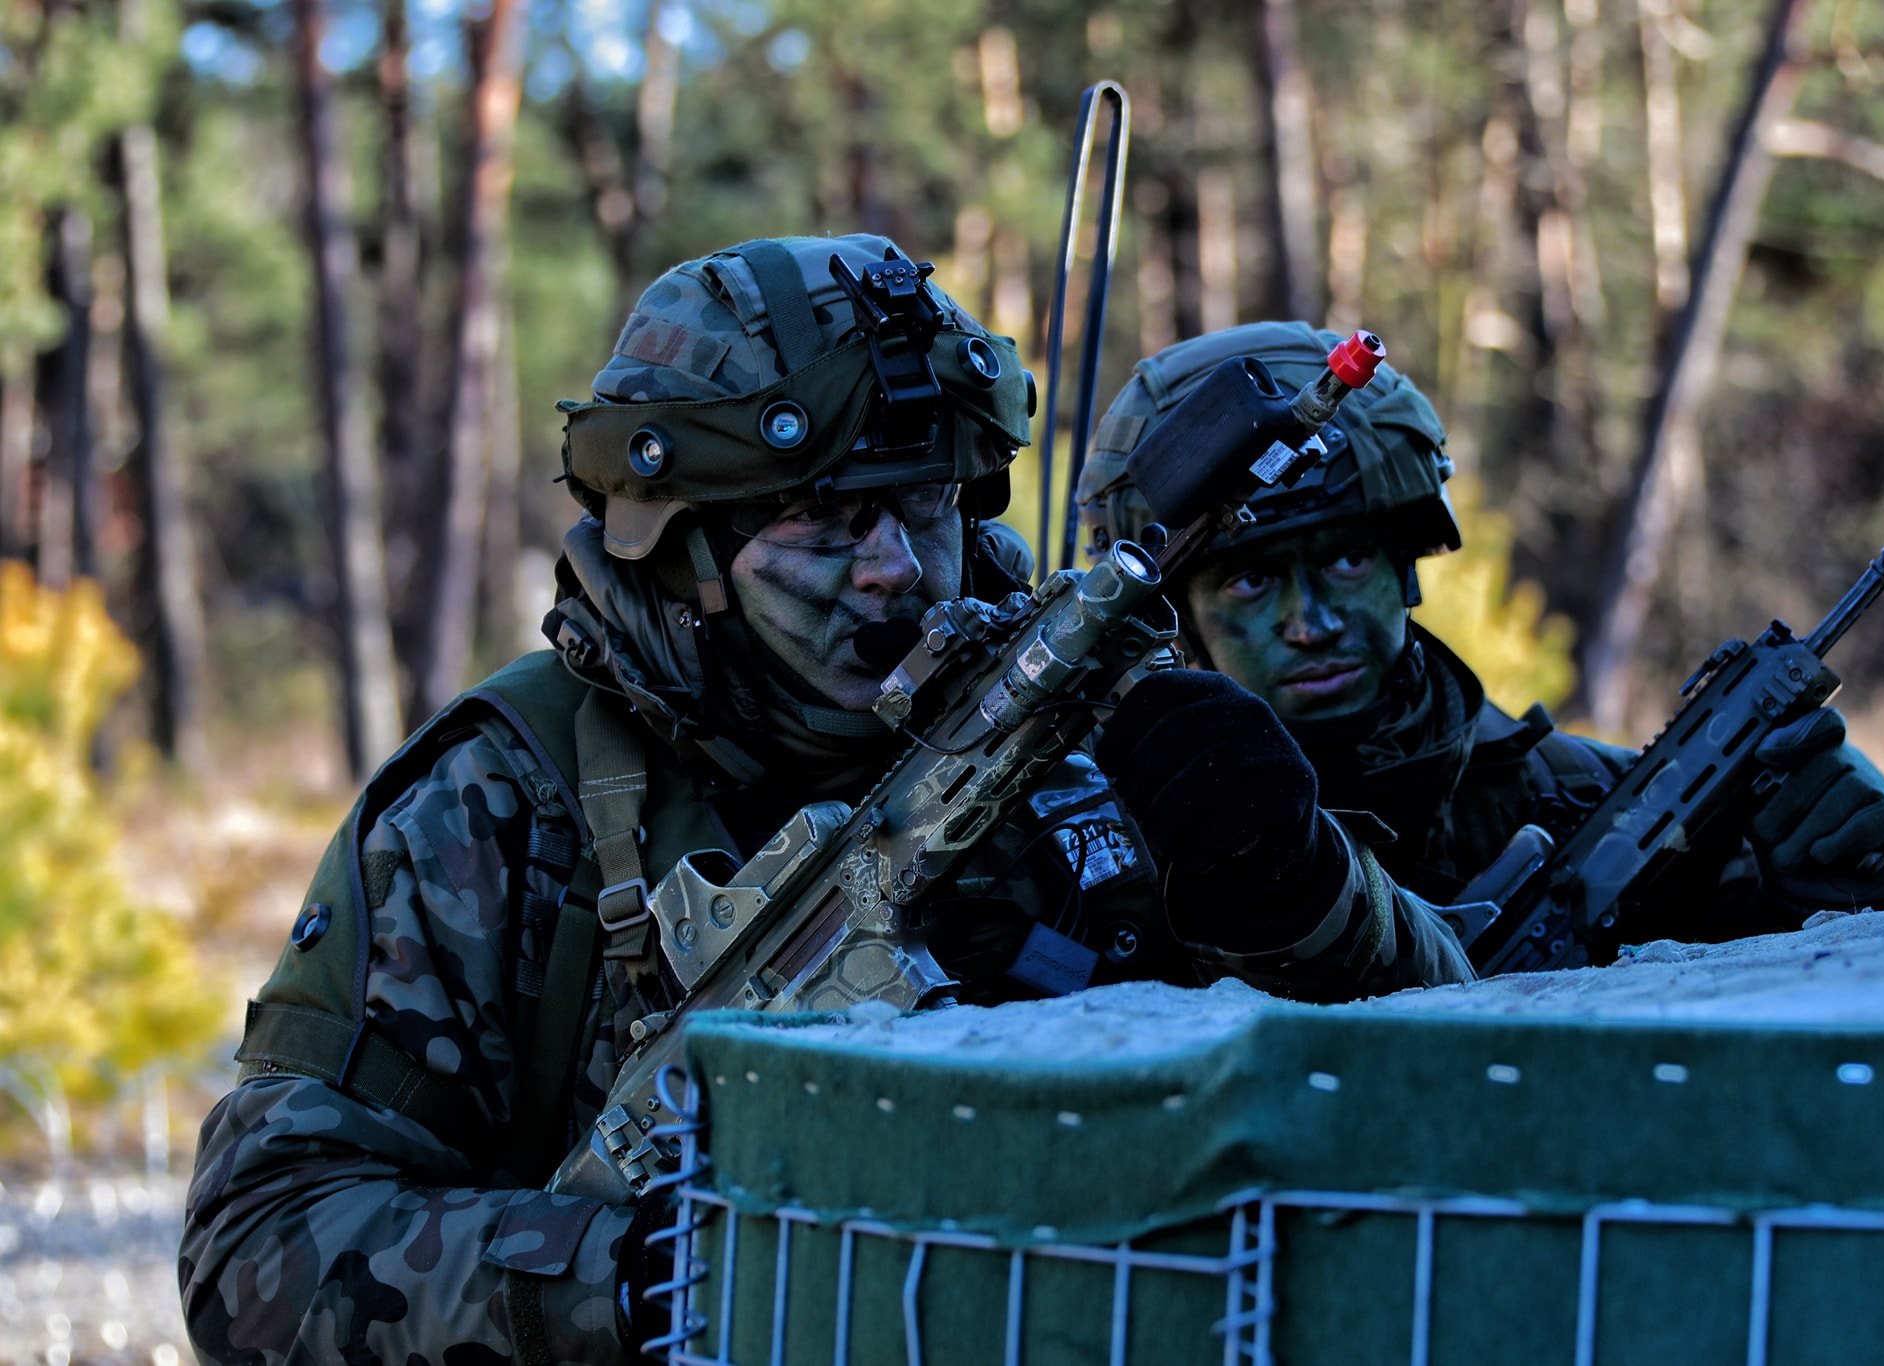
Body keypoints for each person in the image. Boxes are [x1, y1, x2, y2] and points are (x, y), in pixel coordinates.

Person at [180, 241, 1472, 1366]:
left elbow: (1444, 1104)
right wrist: (633, 1279)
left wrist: (1304, 899)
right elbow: (262, 1249)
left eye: (921, 504)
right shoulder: (504, 797)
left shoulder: (1090, 726)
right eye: (820, 523)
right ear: (681, 543)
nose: (894, 572)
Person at [1075, 320, 1884, 950]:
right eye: (1251, 580)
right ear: (1177, 619)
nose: (1311, 623)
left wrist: (1869, 883)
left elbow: (1873, 1017)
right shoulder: (1102, 852)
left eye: (1344, 560)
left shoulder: (1592, 806)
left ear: (1407, 567)